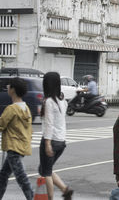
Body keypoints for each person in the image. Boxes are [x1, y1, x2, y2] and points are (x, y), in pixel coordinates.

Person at [38, 72, 73, 200]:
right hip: (61, 141)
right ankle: (65, 190)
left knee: (46, 172)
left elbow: (49, 124)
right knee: (44, 168)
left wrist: (47, 144)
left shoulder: (49, 102)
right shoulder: (62, 100)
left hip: (51, 140)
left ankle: (50, 198)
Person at [0, 77, 34, 199]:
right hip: (22, 146)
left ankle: (31, 197)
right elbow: (29, 129)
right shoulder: (26, 108)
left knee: (21, 176)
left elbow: (1, 125)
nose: (7, 87)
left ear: (13, 90)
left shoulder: (12, 109)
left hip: (13, 147)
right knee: (3, 175)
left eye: (9, 85)